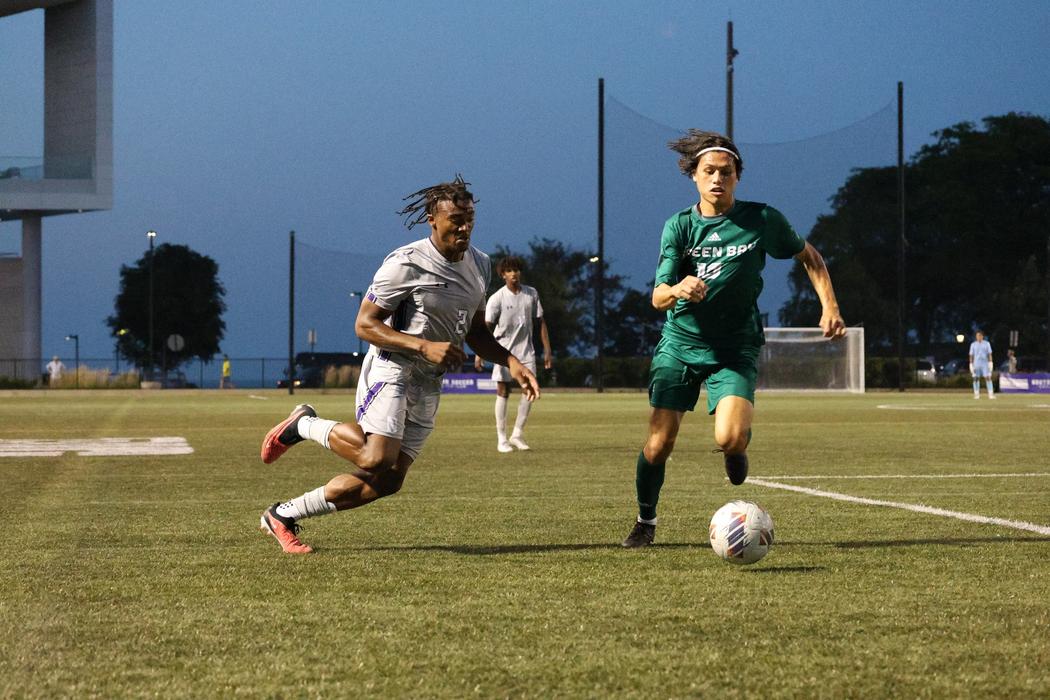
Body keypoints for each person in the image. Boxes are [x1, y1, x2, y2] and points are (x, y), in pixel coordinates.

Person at [258, 175, 541, 554]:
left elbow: (475, 331)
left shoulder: (481, 264)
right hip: (393, 367)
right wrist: (424, 346)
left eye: (469, 217)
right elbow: (364, 324)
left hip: (428, 381)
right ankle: (302, 425)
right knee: (376, 456)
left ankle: (281, 515)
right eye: (456, 218)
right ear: (432, 219)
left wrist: (511, 361)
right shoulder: (405, 263)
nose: (464, 226)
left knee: (388, 481)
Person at [622, 130, 847, 548]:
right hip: (680, 344)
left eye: (726, 172)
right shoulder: (680, 226)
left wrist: (829, 306)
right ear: (694, 176)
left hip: (735, 348)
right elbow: (657, 296)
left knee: (729, 438)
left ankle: (736, 448)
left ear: (737, 177)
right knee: (658, 444)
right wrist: (678, 288)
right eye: (708, 171)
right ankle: (645, 521)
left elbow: (809, 257)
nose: (717, 179)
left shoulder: (762, 220)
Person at [474, 255, 552, 452]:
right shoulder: (497, 298)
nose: (514, 274)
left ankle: (517, 434)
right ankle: (501, 439)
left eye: (516, 270)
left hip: (526, 351)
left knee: (530, 390)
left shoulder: (531, 294)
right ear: (502, 275)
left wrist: (547, 349)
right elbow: (486, 327)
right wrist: (480, 353)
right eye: (509, 271)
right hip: (503, 352)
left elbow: (541, 321)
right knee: (503, 391)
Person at [969, 330, 995, 399]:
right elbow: (971, 355)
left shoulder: (987, 344)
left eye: (979, 336)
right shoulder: (973, 344)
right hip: (976, 363)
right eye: (977, 336)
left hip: (985, 363)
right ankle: (976, 394)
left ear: (982, 336)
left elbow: (989, 354)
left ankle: (990, 394)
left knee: (988, 378)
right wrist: (971, 364)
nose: (978, 337)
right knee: (975, 378)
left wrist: (990, 362)